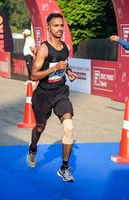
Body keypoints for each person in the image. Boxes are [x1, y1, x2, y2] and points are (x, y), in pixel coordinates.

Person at [27, 13, 76, 182]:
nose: (60, 29)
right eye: (56, 26)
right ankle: (33, 148)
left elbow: (64, 63)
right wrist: (53, 68)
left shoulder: (65, 47)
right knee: (40, 127)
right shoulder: (44, 49)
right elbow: (33, 75)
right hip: (43, 94)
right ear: (48, 28)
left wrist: (68, 72)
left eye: (61, 25)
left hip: (60, 91)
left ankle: (64, 168)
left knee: (68, 126)